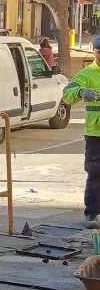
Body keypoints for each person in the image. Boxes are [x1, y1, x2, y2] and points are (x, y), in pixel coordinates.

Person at [62, 35, 100, 228]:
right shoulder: (86, 74)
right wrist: (80, 92)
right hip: (95, 134)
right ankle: (92, 213)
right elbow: (67, 95)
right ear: (94, 51)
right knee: (95, 172)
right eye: (99, 52)